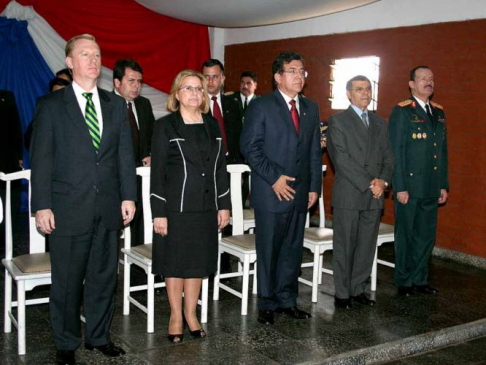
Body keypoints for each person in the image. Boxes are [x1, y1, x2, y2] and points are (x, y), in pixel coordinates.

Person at [30, 34, 136, 365]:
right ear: (70, 62)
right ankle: (65, 343)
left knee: (105, 277)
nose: (93, 59)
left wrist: (129, 196)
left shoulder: (116, 104)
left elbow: (124, 155)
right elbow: (42, 159)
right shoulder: (50, 106)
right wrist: (41, 204)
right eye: (85, 54)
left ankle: (99, 336)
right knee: (66, 282)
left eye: (97, 54)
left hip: (107, 207)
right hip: (66, 209)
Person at [240, 52, 322, 325]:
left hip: (300, 193)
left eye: (302, 71)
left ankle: (287, 300)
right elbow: (250, 147)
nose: (299, 76)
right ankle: (267, 302)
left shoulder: (310, 108)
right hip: (271, 191)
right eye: (292, 71)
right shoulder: (262, 105)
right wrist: (275, 178)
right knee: (269, 250)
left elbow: (313, 151)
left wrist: (314, 187)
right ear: (278, 76)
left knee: (292, 249)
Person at [150, 69, 231, 343]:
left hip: (206, 206)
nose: (195, 93)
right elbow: (157, 172)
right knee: (174, 264)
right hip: (175, 208)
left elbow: (221, 168)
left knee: (197, 263)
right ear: (176, 94)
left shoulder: (212, 125)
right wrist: (158, 213)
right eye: (188, 88)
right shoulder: (165, 126)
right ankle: (175, 315)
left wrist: (224, 205)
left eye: (199, 88)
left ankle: (191, 313)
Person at [327, 75, 394, 309]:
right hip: (351, 192)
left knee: (366, 245)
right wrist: (370, 183)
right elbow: (341, 160)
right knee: (345, 245)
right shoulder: (338, 121)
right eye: (359, 89)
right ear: (348, 94)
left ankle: (358, 290)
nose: (365, 93)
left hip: (375, 194)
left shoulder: (379, 122)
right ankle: (343, 294)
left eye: (368, 89)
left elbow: (388, 156)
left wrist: (383, 182)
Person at [388, 66, 449, 297]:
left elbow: (442, 151)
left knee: (425, 235)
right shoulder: (403, 111)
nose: (428, 82)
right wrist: (400, 186)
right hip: (410, 187)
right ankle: (404, 281)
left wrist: (443, 184)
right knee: (406, 235)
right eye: (423, 78)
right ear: (411, 84)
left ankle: (420, 279)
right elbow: (396, 151)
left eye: (431, 79)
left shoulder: (439, 112)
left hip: (431, 186)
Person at [113, 58, 155, 245]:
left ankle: (139, 267)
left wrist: (151, 155)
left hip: (141, 177)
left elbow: (153, 137)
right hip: (115, 179)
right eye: (131, 81)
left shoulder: (143, 104)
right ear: (117, 82)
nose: (137, 86)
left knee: (141, 223)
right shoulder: (106, 105)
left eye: (139, 81)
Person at [202, 59, 243, 165]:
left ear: (222, 79)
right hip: (206, 166)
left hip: (231, 165)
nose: (210, 81)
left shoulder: (232, 104)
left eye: (214, 77)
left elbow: (239, 137)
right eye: (206, 77)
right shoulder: (196, 105)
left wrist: (239, 166)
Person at [0, 90, 23, 247]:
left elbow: (15, 127)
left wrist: (19, 156)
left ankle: (6, 243)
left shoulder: (6, 96)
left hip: (6, 161)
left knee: (9, 203)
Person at [24, 77, 71, 151]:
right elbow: (29, 140)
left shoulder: (78, 113)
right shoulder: (44, 115)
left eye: (63, 93)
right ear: (50, 94)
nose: (60, 97)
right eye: (57, 93)